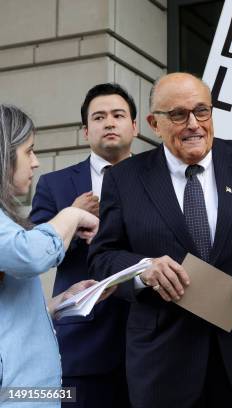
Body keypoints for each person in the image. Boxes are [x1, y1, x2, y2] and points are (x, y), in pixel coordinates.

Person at [87, 72, 232, 408]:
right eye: (178, 114)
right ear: (153, 123)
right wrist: (143, 269)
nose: (193, 124)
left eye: (201, 111)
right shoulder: (124, 179)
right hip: (163, 367)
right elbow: (103, 256)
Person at [30, 83, 138, 408]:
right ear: (85, 130)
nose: (109, 122)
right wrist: (73, 223)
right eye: (99, 116)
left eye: (118, 115)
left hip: (152, 339)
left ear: (134, 126)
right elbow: (37, 252)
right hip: (84, 345)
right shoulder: (56, 184)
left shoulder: (163, 179)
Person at [0, 104, 113, 407]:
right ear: (5, 153)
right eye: (29, 151)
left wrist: (63, 301)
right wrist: (73, 214)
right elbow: (28, 255)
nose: (35, 162)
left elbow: (11, 313)